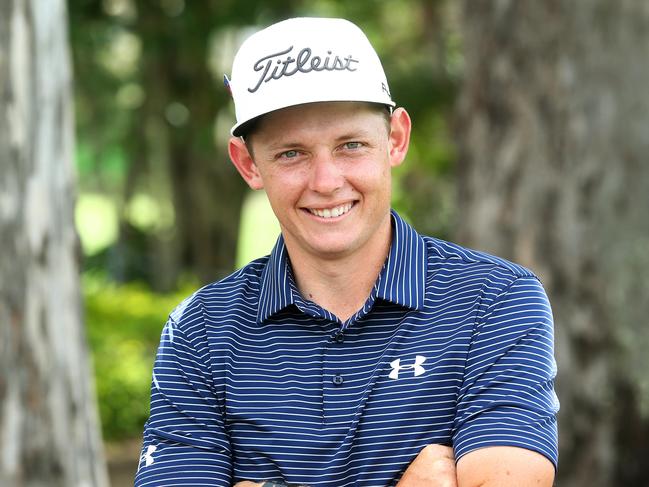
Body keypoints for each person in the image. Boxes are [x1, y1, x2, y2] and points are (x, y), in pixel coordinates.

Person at [135, 17, 559, 487]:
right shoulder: (201, 331)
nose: (326, 182)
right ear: (248, 164)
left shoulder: (495, 299)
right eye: (291, 153)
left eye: (351, 145)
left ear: (395, 139)